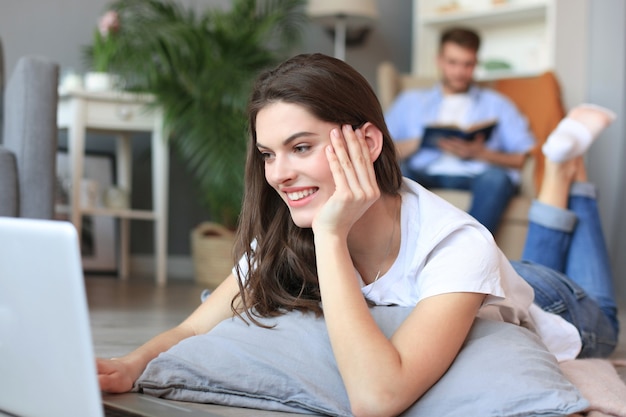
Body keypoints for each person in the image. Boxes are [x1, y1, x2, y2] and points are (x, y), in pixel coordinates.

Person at [97, 53, 619, 417]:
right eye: (268, 154)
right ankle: (560, 170)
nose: (278, 174)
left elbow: (376, 398)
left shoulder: (457, 244)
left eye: (301, 147)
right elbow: (193, 330)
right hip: (477, 280)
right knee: (515, 260)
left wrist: (331, 235)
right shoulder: (284, 232)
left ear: (367, 141)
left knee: (600, 307)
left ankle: (565, 168)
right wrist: (129, 364)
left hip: (558, 303)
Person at [385, 27, 536, 233]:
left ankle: (469, 245)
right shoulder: (410, 102)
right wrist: (421, 142)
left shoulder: (498, 105)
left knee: (497, 178)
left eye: (468, 64)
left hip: (476, 177)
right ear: (439, 60)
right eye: (452, 62)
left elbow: (523, 157)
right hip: (424, 173)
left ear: (476, 63)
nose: (459, 72)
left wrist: (481, 153)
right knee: (398, 174)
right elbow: (380, 150)